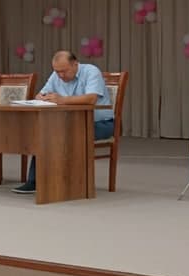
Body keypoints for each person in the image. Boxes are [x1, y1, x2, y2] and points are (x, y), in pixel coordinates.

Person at [12, 50, 114, 194]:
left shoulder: (91, 71)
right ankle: (35, 182)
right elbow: (40, 94)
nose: (60, 75)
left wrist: (62, 100)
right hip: (68, 123)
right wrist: (42, 97)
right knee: (44, 134)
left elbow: (91, 98)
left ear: (75, 64)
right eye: (57, 71)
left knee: (63, 134)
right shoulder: (56, 75)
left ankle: (72, 182)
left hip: (101, 124)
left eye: (64, 71)